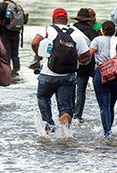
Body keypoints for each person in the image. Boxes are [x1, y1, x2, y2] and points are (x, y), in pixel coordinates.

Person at [31, 8, 90, 137]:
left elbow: (35, 42)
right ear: (66, 20)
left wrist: (39, 55)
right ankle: (64, 135)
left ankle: (49, 125)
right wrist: (76, 59)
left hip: (48, 74)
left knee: (43, 97)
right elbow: (86, 54)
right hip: (68, 76)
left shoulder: (47, 30)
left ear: (53, 19)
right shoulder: (75, 33)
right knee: (65, 107)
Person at [89, 21, 117, 138]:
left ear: (103, 31)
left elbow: (89, 54)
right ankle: (109, 128)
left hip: (101, 74)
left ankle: (107, 131)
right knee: (111, 105)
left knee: (104, 105)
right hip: (116, 74)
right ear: (114, 30)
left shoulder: (97, 40)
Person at [72, 8, 99, 123]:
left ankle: (69, 112)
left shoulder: (70, 29)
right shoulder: (92, 32)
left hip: (70, 64)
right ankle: (78, 116)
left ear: (78, 19)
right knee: (81, 91)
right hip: (85, 66)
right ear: (89, 20)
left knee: (70, 89)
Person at [0, 0, 22, 75]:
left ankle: (7, 74)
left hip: (5, 33)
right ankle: (17, 72)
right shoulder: (16, 6)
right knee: (15, 54)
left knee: (7, 54)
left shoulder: (1, 6)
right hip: (16, 32)